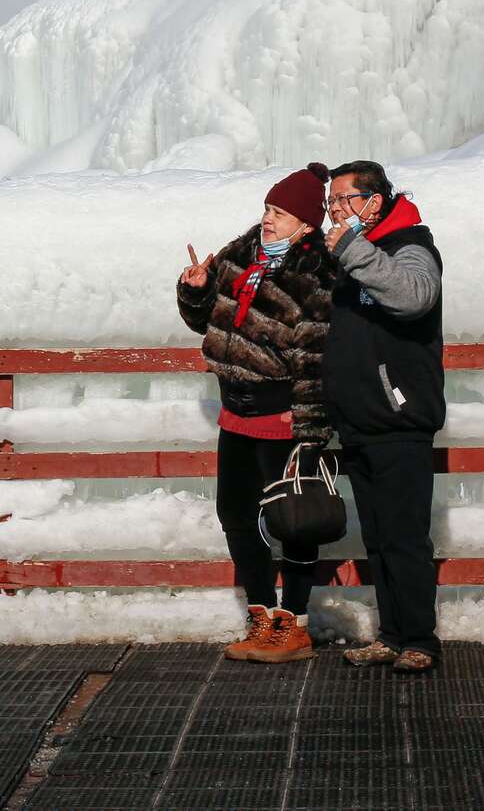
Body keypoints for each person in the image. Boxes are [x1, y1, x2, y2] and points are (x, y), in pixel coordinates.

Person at [177, 162, 337, 664]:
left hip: (282, 414)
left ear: (306, 224)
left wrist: (310, 432)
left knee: (293, 518)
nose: (269, 219)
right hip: (234, 411)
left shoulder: (315, 275)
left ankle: (295, 621)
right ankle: (261, 614)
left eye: (281, 213)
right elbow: (201, 322)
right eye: (268, 208)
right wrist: (197, 288)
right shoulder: (238, 254)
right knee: (236, 515)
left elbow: (316, 360)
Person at [321, 160, 444, 673]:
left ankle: (420, 639)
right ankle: (392, 635)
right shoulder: (354, 255)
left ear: (374, 200)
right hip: (359, 420)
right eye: (331, 204)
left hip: (399, 419)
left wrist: (351, 249)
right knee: (377, 538)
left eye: (342, 201)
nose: (335, 212)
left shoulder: (410, 244)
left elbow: (416, 296)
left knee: (405, 537)